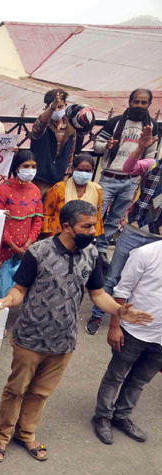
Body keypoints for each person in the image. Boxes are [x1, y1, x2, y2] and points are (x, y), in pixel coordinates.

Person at [0, 201, 153, 464]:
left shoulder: (92, 255)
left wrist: (119, 311)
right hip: (30, 338)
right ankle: (2, 436)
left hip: (64, 341)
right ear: (67, 227)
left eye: (94, 225)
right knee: (16, 390)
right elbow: (19, 290)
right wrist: (9, 300)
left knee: (40, 393)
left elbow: (98, 295)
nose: (93, 232)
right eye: (86, 226)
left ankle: (26, 433)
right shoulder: (38, 252)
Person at [86, 125, 162, 335]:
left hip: (158, 241)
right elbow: (129, 168)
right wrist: (140, 148)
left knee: (148, 281)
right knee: (113, 276)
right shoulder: (152, 164)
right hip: (133, 232)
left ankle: (136, 320)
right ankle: (97, 314)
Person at [92, 240, 162, 445]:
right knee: (115, 376)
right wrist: (115, 327)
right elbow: (122, 292)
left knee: (140, 380)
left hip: (160, 339)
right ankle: (102, 417)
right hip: (133, 332)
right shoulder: (145, 253)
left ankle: (121, 416)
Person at [93, 89, 159, 267]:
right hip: (109, 177)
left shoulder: (151, 126)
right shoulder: (115, 122)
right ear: (130, 102)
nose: (139, 106)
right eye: (136, 102)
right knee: (96, 215)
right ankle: (87, 248)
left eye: (143, 103)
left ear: (149, 105)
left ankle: (101, 251)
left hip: (131, 181)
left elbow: (150, 158)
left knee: (115, 219)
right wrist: (106, 145)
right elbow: (97, 146)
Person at [0, 151, 43, 302]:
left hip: (26, 249)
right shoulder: (3, 190)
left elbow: (38, 220)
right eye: (26, 166)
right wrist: (13, 246)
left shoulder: (35, 191)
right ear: (17, 168)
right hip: (4, 248)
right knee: (1, 288)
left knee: (18, 289)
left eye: (33, 166)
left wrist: (27, 246)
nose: (30, 170)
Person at [42, 153, 104, 238]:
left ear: (92, 171)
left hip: (84, 236)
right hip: (58, 234)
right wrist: (47, 235)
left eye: (87, 171)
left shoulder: (97, 190)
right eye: (80, 170)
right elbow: (47, 213)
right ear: (73, 169)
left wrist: (92, 236)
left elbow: (97, 216)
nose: (84, 173)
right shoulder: (59, 188)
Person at [29, 89, 78, 196]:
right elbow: (41, 123)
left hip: (58, 180)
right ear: (47, 107)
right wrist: (52, 107)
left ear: (65, 105)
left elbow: (70, 156)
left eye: (60, 107)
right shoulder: (43, 125)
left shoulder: (70, 129)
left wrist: (65, 180)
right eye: (54, 108)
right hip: (39, 178)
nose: (57, 111)